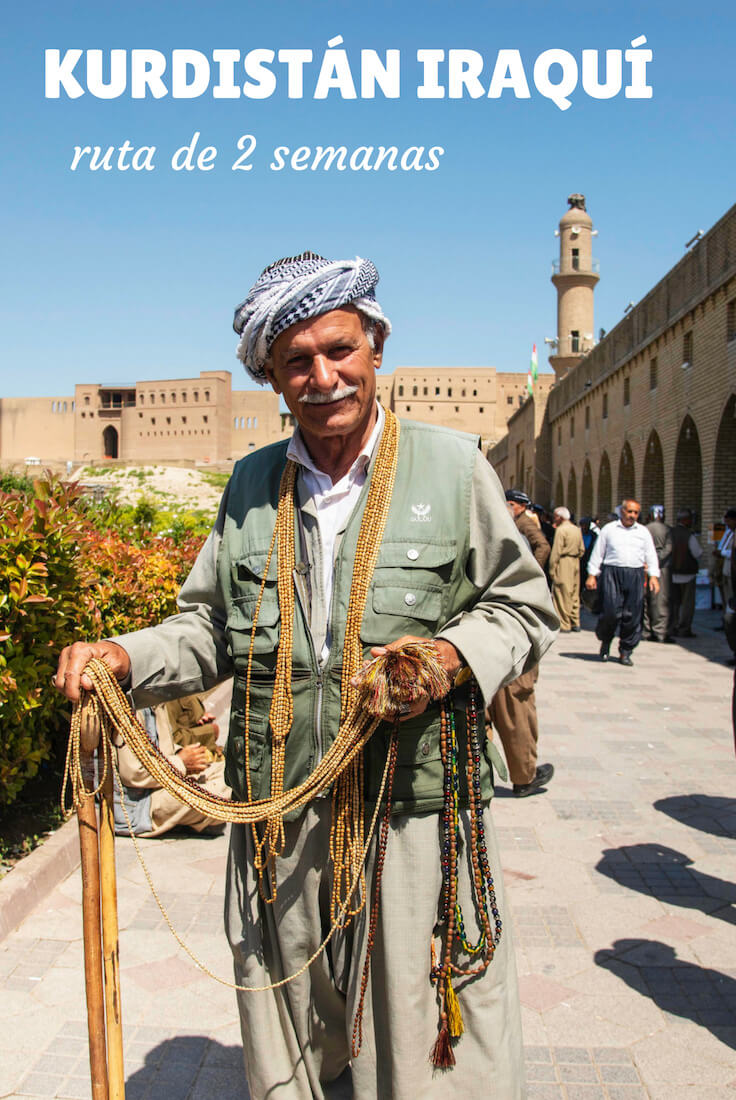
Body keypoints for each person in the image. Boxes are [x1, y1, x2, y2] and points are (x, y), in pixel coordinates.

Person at [55, 252, 557, 1099]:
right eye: (298, 361)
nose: (324, 377)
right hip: (277, 821)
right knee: (291, 1049)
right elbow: (210, 628)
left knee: (426, 1054)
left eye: (340, 351)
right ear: (274, 377)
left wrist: (446, 657)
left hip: (412, 819)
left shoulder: (449, 466)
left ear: (376, 350)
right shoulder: (252, 485)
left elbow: (524, 605)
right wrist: (126, 656)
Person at [485, 490, 555, 798]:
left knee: (481, 712)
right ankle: (523, 776)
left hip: (479, 636)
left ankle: (477, 776)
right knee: (516, 709)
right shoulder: (513, 536)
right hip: (509, 635)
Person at [113, 701, 229, 837]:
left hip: (165, 780)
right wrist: (181, 762)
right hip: (143, 805)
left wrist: (188, 756)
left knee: (229, 774)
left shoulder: (155, 701)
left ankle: (196, 819)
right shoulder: (129, 706)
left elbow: (166, 747)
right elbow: (133, 773)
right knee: (224, 792)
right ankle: (190, 820)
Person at [585, 498, 660, 666]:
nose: (632, 515)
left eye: (635, 513)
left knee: (632, 615)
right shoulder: (609, 530)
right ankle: (606, 642)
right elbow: (598, 552)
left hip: (635, 574)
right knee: (611, 611)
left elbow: (651, 554)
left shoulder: (643, 532)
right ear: (622, 511)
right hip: (612, 573)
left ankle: (625, 651)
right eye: (629, 511)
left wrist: (653, 575)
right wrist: (592, 574)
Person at [667, 508, 703, 639]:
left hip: (672, 573)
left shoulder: (670, 533)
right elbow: (697, 553)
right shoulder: (689, 535)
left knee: (673, 603)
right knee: (687, 603)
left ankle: (672, 626)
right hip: (687, 573)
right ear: (686, 520)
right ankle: (684, 628)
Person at [548, 506, 584, 632]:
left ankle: (564, 623)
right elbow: (581, 549)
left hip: (564, 562)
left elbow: (556, 551)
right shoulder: (576, 529)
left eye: (555, 516)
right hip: (575, 561)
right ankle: (575, 621)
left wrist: (552, 569)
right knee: (574, 593)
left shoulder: (561, 530)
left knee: (562, 593)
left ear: (560, 517)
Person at [643, 505, 671, 643]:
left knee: (646, 600)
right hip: (661, 568)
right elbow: (668, 549)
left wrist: (647, 561)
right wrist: (656, 560)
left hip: (645, 568)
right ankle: (660, 631)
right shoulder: (666, 530)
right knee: (660, 600)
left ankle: (646, 630)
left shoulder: (644, 529)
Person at [714, 508, 736, 620]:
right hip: (725, 570)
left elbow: (732, 552)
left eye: (728, 521)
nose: (727, 524)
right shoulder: (729, 533)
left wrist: (721, 552)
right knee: (726, 597)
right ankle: (727, 620)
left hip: (732, 571)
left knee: (732, 596)